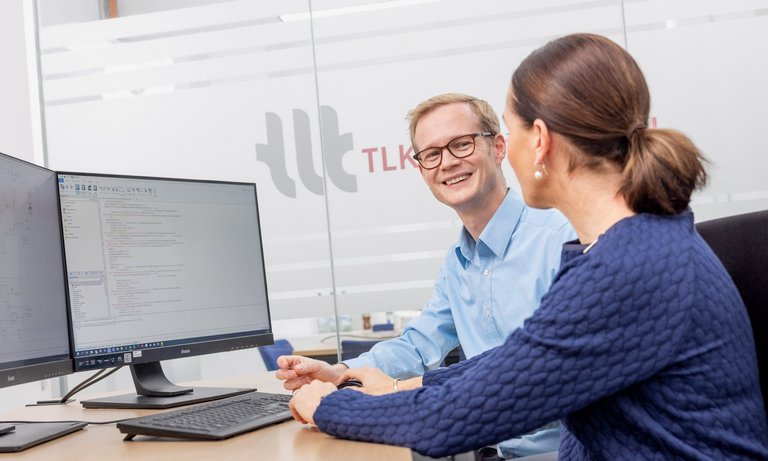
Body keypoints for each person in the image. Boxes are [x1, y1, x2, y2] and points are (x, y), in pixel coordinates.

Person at [288, 33, 768, 460]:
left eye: (510, 133)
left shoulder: (626, 268)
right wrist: (400, 384)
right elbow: (518, 358)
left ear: (536, 141)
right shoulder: (623, 247)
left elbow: (447, 423)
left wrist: (330, 405)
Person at [276, 93, 574, 458]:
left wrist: (386, 394)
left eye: (461, 145)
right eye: (431, 154)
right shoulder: (458, 261)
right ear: (421, 170)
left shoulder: (560, 239)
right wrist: (338, 372)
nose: (447, 163)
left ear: (498, 148)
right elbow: (418, 345)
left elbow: (541, 373)